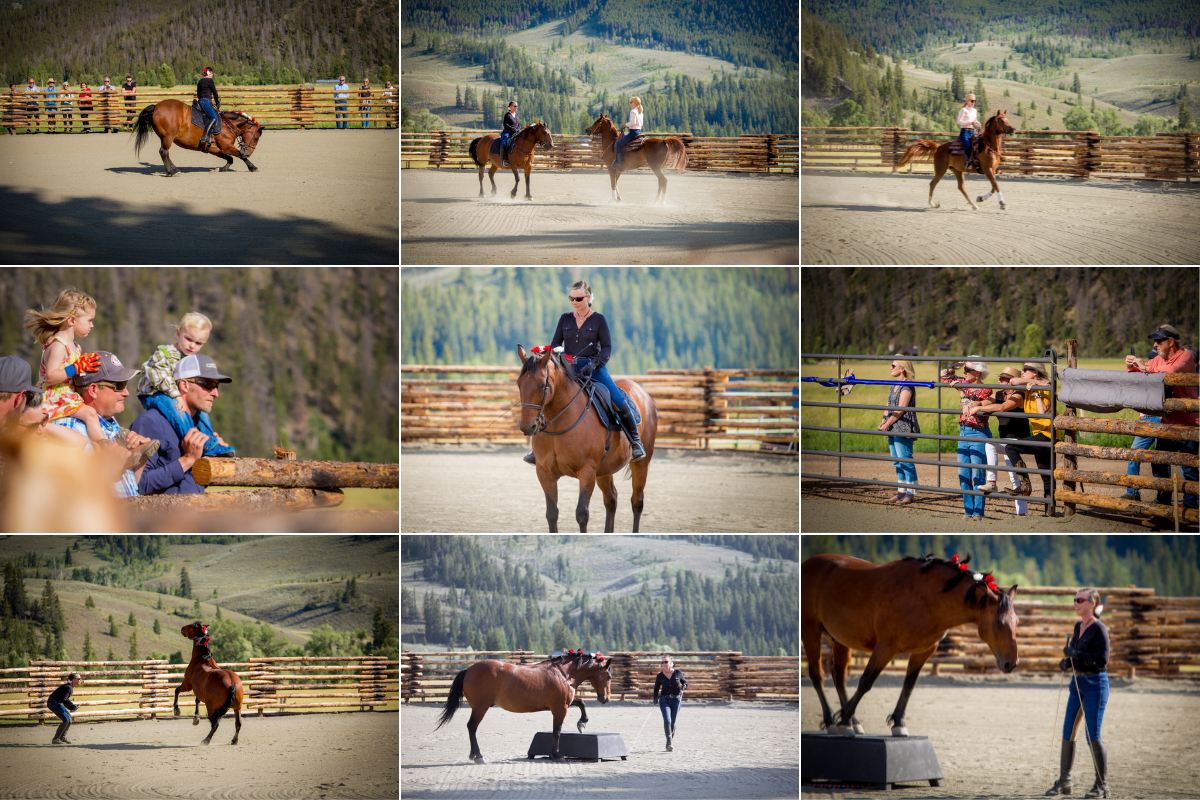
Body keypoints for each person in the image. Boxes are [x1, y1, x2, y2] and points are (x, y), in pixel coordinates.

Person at [522, 280, 646, 463]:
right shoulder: (565, 318)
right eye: (571, 298)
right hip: (568, 369)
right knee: (547, 397)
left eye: (578, 298)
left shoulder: (599, 320)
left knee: (617, 398)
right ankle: (537, 448)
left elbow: (606, 348)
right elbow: (556, 344)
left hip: (595, 369)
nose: (574, 301)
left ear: (588, 298)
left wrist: (594, 364)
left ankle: (636, 442)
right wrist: (563, 357)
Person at [52, 350, 158, 496]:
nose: (126, 393)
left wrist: (140, 460)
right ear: (93, 390)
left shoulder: (113, 429)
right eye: (119, 385)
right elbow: (68, 496)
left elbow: (133, 494)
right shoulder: (69, 429)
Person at [132, 354, 232, 496]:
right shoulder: (150, 422)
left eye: (217, 386)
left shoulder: (199, 427)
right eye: (208, 385)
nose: (216, 393)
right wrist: (187, 460)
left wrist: (208, 457)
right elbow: (139, 485)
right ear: (184, 385)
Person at [137, 312, 235, 457]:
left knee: (202, 411)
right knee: (178, 409)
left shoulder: (190, 358)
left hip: (174, 393)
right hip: (155, 393)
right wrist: (176, 395)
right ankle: (197, 442)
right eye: (188, 339)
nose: (192, 346)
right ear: (178, 333)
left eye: (198, 343)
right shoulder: (164, 353)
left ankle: (209, 441)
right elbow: (160, 377)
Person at [1046, 588, 1110, 798]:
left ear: (1091, 604)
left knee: (1092, 734)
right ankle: (1065, 781)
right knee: (1068, 732)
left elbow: (1102, 659)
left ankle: (1102, 786)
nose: (1076, 603)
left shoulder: (1099, 629)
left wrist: (1077, 653)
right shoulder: (1078, 627)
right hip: (1077, 683)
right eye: (1074, 600)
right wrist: (1068, 661)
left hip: (1095, 685)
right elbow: (1076, 656)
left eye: (1080, 600)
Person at [1126, 324, 1198, 511]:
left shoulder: (1186, 356)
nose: (1156, 345)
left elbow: (1171, 372)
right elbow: (1142, 371)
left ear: (1171, 342)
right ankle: (1163, 504)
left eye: (1159, 341)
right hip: (1166, 422)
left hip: (1187, 422)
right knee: (1159, 463)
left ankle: (1190, 508)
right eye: (1155, 341)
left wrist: (1144, 366)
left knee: (1189, 468)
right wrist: (1131, 366)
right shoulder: (1159, 359)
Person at [22, 288, 107, 444]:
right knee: (90, 413)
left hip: (67, 396)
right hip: (53, 397)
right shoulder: (58, 345)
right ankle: (104, 447)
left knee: (93, 412)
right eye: (89, 320)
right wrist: (76, 368)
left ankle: (104, 444)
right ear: (72, 320)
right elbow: (51, 376)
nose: (92, 325)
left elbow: (72, 373)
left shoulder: (76, 346)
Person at [968, 367, 1030, 515]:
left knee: (1014, 476)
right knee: (1014, 476)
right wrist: (973, 405)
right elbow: (984, 402)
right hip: (1006, 441)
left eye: (1002, 379)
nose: (999, 381)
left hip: (1018, 439)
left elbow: (1003, 408)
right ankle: (993, 484)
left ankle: (1021, 512)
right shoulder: (999, 394)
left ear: (1010, 382)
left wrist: (978, 408)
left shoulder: (1019, 395)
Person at [939, 358, 992, 520]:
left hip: (978, 433)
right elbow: (943, 376)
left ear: (977, 373)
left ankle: (978, 511)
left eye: (967, 370)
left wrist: (961, 392)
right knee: (963, 474)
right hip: (963, 432)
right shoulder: (964, 382)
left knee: (978, 475)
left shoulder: (986, 391)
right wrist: (953, 366)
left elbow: (968, 408)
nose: (964, 373)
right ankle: (968, 510)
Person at [1002, 362, 1056, 514]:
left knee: (1010, 447)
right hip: (1040, 435)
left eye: (1026, 370)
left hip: (1047, 435)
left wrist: (1038, 391)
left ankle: (1024, 484)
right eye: (1023, 370)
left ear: (1036, 372)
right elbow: (1013, 381)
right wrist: (1034, 382)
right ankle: (1049, 510)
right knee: (1046, 474)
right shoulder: (1031, 385)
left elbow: (1042, 412)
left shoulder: (1046, 388)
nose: (1023, 372)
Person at [878, 359, 920, 504]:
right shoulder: (895, 385)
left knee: (905, 460)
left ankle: (911, 493)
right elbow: (889, 405)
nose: (890, 368)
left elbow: (900, 409)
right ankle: (901, 491)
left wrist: (887, 423)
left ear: (902, 369)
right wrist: (884, 420)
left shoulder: (907, 386)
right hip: (892, 425)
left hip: (903, 426)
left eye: (893, 366)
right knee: (897, 461)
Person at [1123, 346, 1160, 501]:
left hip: (1160, 419)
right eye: (1150, 358)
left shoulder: (1161, 372)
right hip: (1146, 419)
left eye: (1154, 359)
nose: (1152, 361)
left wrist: (1143, 367)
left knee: (1160, 460)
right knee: (1134, 454)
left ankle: (1163, 496)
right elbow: (1134, 374)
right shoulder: (1148, 370)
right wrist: (1130, 366)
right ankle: (1132, 492)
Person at [653, 655, 687, 752]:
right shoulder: (659, 676)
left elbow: (685, 682)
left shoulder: (678, 672)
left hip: (676, 700)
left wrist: (684, 685)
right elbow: (656, 688)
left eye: (666, 662)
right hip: (664, 700)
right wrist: (655, 698)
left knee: (673, 722)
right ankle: (669, 742)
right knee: (667, 720)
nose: (664, 664)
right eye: (662, 662)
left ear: (671, 662)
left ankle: (669, 741)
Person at [47, 671, 82, 744]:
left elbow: (65, 699)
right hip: (52, 703)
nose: (80, 680)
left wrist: (73, 706)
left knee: (70, 719)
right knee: (66, 720)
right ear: (73, 680)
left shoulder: (70, 687)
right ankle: (55, 739)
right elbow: (64, 700)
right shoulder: (68, 687)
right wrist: (72, 707)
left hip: (56, 703)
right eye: (79, 679)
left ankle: (62, 737)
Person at [613, 96, 643, 171]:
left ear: (634, 103)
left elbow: (633, 122)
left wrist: (625, 125)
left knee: (619, 144)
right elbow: (641, 124)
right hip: (639, 132)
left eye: (631, 102)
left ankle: (619, 164)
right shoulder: (640, 112)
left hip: (633, 133)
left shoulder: (633, 111)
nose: (630, 104)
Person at [197, 68, 222, 150]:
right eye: (212, 74)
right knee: (214, 118)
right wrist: (217, 102)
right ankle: (205, 136)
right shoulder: (210, 81)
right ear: (210, 73)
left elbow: (198, 93)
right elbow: (215, 92)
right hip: (206, 102)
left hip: (200, 101)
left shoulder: (200, 81)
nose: (212, 75)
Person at [958, 94, 982, 172]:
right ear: (967, 101)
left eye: (974, 101)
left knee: (977, 145)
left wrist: (978, 123)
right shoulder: (963, 110)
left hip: (972, 132)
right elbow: (959, 122)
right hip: (964, 132)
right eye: (972, 101)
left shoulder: (974, 110)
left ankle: (976, 161)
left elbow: (974, 120)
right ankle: (967, 162)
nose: (973, 102)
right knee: (968, 145)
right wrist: (970, 122)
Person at [501, 101, 520, 167]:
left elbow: (518, 124)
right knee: (504, 143)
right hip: (507, 132)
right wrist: (513, 129)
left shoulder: (517, 115)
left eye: (517, 106)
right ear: (511, 107)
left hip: (516, 132)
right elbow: (505, 124)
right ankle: (504, 159)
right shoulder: (507, 115)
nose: (516, 107)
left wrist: (518, 129)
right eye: (515, 106)